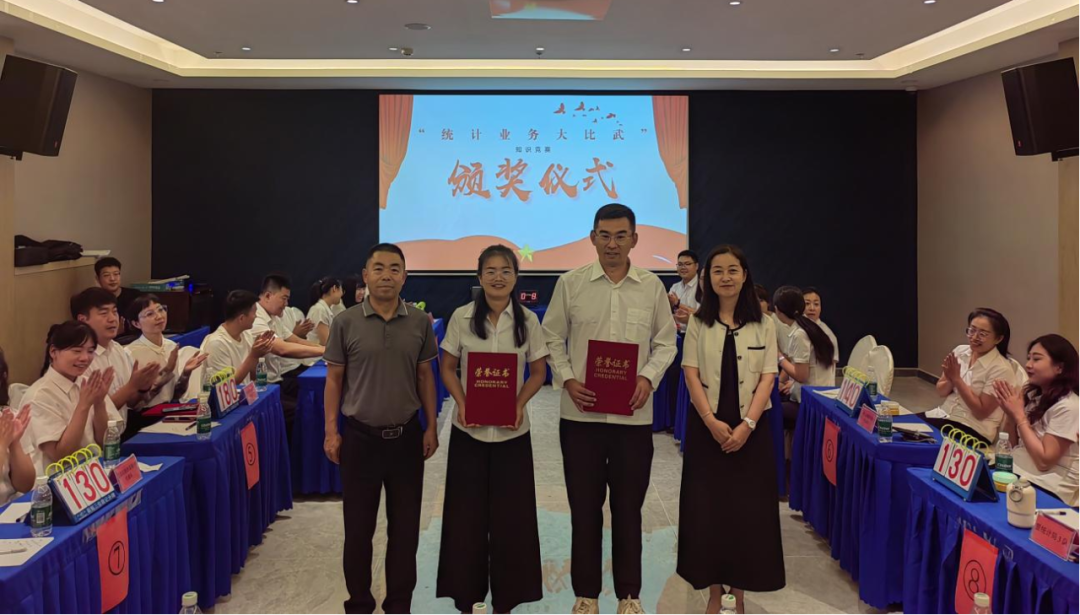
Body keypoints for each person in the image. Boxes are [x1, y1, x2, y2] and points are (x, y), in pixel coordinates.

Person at [542, 203, 678, 615]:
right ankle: (585, 595)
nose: (612, 244)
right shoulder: (571, 283)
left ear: (634, 239)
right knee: (584, 509)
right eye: (605, 235)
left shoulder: (651, 287)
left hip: (632, 419)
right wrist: (568, 379)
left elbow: (666, 343)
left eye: (621, 236)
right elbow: (551, 337)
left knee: (628, 510)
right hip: (580, 418)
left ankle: (629, 596)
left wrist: (647, 377)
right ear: (592, 238)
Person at [323, 243, 440, 615]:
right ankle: (359, 603)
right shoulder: (346, 322)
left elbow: (425, 376)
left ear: (404, 276)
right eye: (379, 268)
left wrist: (432, 426)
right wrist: (331, 431)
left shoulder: (419, 322)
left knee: (404, 532)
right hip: (360, 440)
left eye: (394, 269)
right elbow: (334, 379)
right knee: (358, 531)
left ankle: (399, 605)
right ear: (365, 275)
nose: (386, 275)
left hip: (406, 439)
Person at [435, 245, 547, 614]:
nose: (498, 277)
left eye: (506, 271)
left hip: (513, 435)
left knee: (512, 520)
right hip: (469, 434)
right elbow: (447, 367)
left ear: (516, 276)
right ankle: (467, 600)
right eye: (491, 271)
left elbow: (538, 372)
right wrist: (463, 402)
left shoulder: (528, 320)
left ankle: (506, 602)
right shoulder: (462, 317)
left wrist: (518, 404)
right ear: (479, 276)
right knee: (465, 519)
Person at [679, 245, 784, 614]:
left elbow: (769, 376)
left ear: (744, 275)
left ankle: (736, 593)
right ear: (707, 278)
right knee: (707, 511)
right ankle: (713, 591)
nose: (725, 277)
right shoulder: (698, 322)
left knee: (745, 513)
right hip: (707, 427)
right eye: (717, 271)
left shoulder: (764, 323)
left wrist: (748, 425)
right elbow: (690, 373)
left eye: (732, 270)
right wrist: (710, 420)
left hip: (751, 431)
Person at [993, 334, 1080, 506]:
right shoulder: (1032, 394)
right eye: (1028, 358)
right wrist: (1010, 415)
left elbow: (1043, 462)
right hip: (1017, 470)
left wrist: (1019, 416)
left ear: (1059, 367)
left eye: (1037, 359)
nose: (1028, 365)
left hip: (1047, 486)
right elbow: (1010, 446)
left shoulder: (1069, 406)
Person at [25, 321, 119, 468]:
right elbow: (61, 456)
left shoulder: (87, 383)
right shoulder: (39, 396)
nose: (85, 358)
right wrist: (83, 405)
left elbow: (104, 442)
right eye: (77, 351)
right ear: (53, 352)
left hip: (95, 470)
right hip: (57, 476)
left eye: (90, 351)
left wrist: (99, 402)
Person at [924, 308, 1018, 446]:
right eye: (972, 330)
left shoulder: (1001, 369)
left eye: (983, 334)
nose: (974, 337)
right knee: (899, 428)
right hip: (943, 415)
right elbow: (941, 391)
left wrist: (957, 379)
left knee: (913, 445)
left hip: (973, 429)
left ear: (998, 338)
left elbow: (981, 412)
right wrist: (951, 379)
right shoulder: (960, 351)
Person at [70, 287, 160, 428]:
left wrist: (143, 387)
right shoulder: (79, 360)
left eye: (114, 311)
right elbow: (93, 414)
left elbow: (130, 403)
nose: (112, 319)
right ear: (83, 320)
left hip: (122, 432)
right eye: (104, 313)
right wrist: (132, 386)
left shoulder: (117, 348)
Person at [252, 275, 325, 424]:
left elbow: (296, 340)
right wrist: (324, 351)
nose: (286, 304)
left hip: (277, 382)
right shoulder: (256, 320)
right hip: (263, 387)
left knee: (315, 397)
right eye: (283, 299)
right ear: (268, 296)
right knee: (304, 410)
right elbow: (282, 349)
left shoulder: (274, 317)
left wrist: (325, 348)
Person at [126, 295, 207, 409]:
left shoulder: (171, 346)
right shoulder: (131, 353)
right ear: (136, 323)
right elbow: (134, 405)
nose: (159, 316)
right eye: (150, 314)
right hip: (143, 415)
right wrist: (167, 371)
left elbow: (176, 395)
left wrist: (186, 373)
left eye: (161, 310)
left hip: (168, 411)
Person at [773, 286, 836, 429]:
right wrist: (782, 381)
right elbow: (795, 363)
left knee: (767, 411)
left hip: (812, 403)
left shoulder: (800, 334)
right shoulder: (808, 327)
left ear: (777, 310)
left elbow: (801, 376)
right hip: (813, 396)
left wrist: (779, 357)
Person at [200, 290, 275, 386]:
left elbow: (253, 377)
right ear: (241, 318)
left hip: (245, 391)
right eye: (254, 313)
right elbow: (227, 385)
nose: (256, 316)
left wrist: (259, 353)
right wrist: (253, 355)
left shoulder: (246, 334)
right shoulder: (216, 344)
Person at [0, 348, 34, 506]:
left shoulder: (7, 417)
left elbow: (25, 485)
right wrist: (2, 445)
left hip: (11, 510)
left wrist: (14, 444)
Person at [94, 257, 142, 338]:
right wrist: (115, 333)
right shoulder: (95, 301)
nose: (112, 279)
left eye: (116, 274)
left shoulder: (135, 295)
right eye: (106, 275)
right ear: (98, 279)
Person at [802, 287, 839, 367]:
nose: (812, 308)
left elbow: (832, 367)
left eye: (816, 304)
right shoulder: (796, 328)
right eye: (807, 304)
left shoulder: (827, 334)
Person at [307, 277, 345, 346]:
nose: (342, 294)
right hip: (317, 352)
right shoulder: (319, 310)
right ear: (334, 289)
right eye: (341, 290)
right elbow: (326, 342)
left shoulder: (324, 309)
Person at [669, 249, 700, 333]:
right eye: (680, 264)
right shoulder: (675, 287)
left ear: (696, 266)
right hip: (677, 334)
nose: (683, 267)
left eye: (687, 264)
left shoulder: (703, 286)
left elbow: (702, 315)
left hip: (697, 334)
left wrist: (678, 304)